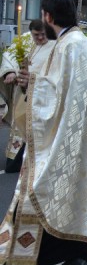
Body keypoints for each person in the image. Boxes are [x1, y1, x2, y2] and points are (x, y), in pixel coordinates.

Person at [0, 0, 87, 265]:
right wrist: (29, 82)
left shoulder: (74, 45)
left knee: (46, 193)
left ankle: (79, 251)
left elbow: (72, 97)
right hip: (50, 136)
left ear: (48, 16)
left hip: (68, 138)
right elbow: (54, 88)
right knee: (43, 194)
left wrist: (33, 83)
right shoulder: (62, 43)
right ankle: (13, 261)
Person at [0, 20, 55, 172]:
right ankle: (14, 162)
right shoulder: (25, 40)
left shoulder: (55, 44)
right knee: (19, 125)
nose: (40, 39)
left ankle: (38, 162)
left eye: (43, 35)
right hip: (23, 94)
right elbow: (9, 55)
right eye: (36, 35)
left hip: (44, 96)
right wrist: (10, 71)